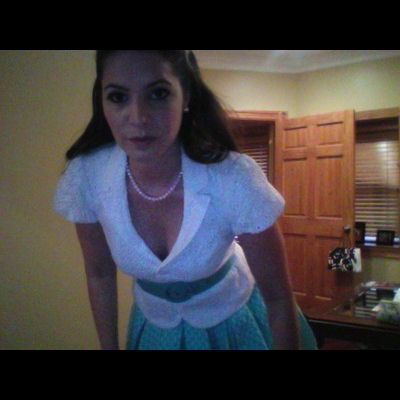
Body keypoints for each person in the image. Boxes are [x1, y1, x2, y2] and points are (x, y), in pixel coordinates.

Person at [53, 50, 317, 350]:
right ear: (102, 101)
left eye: (158, 93)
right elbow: (99, 274)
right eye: (117, 97)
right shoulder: (87, 176)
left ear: (186, 96)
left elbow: (278, 296)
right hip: (152, 329)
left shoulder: (233, 177)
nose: (137, 117)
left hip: (237, 324)